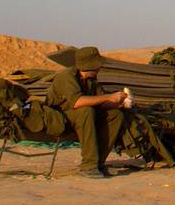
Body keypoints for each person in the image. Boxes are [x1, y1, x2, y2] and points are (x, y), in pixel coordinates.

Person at [49, 46, 133, 178]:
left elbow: (100, 102)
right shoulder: (66, 76)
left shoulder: (91, 80)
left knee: (115, 115)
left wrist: (118, 103)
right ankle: (89, 165)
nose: (99, 68)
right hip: (59, 117)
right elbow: (76, 102)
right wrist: (109, 97)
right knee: (86, 111)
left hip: (81, 116)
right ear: (89, 65)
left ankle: (99, 163)